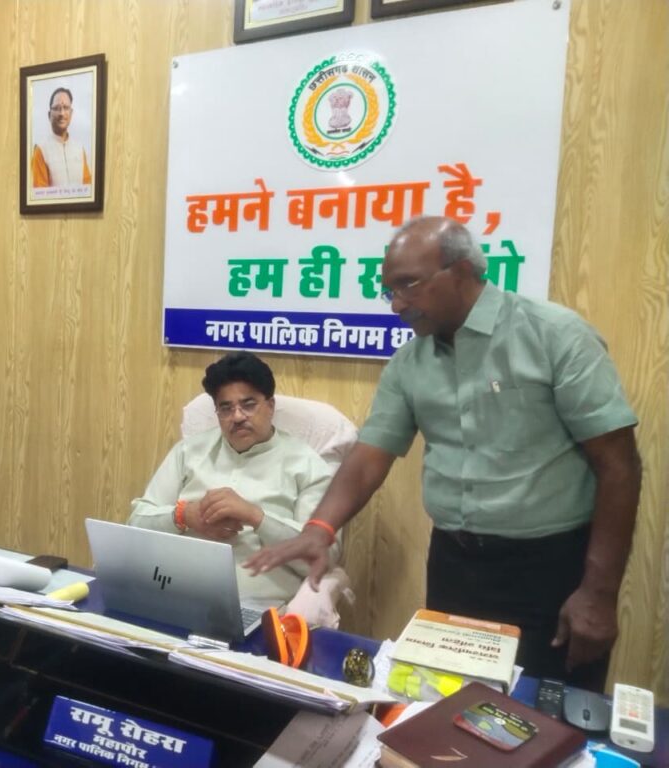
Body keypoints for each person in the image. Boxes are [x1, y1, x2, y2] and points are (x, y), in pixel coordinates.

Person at [245, 217, 641, 689]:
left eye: (408, 285)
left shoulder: (553, 335)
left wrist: (599, 591)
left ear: (463, 270)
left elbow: (618, 464)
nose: (397, 304)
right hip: (456, 566)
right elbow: (370, 455)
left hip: (551, 571)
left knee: (546, 714)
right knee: (449, 704)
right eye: (388, 291)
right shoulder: (409, 362)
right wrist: (319, 528)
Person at [128, 352, 338, 606]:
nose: (237, 417)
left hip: (260, 609)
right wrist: (184, 516)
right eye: (226, 408)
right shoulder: (189, 452)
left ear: (270, 406)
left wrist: (256, 517)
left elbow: (322, 558)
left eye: (248, 405)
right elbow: (135, 526)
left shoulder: (306, 465)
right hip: (176, 595)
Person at [31, 87, 93, 189]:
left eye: (66, 108)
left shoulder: (79, 150)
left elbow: (88, 187)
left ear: (71, 113)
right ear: (49, 115)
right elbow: (39, 193)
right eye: (56, 108)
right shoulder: (41, 150)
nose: (62, 113)